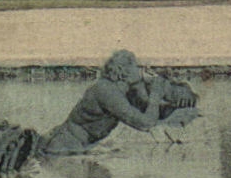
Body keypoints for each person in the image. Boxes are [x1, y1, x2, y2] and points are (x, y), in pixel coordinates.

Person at [41, 50, 198, 155]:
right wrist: (155, 96)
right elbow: (145, 123)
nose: (142, 70)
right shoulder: (106, 90)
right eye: (137, 66)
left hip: (78, 148)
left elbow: (153, 112)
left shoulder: (123, 90)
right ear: (124, 72)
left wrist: (183, 96)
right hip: (63, 147)